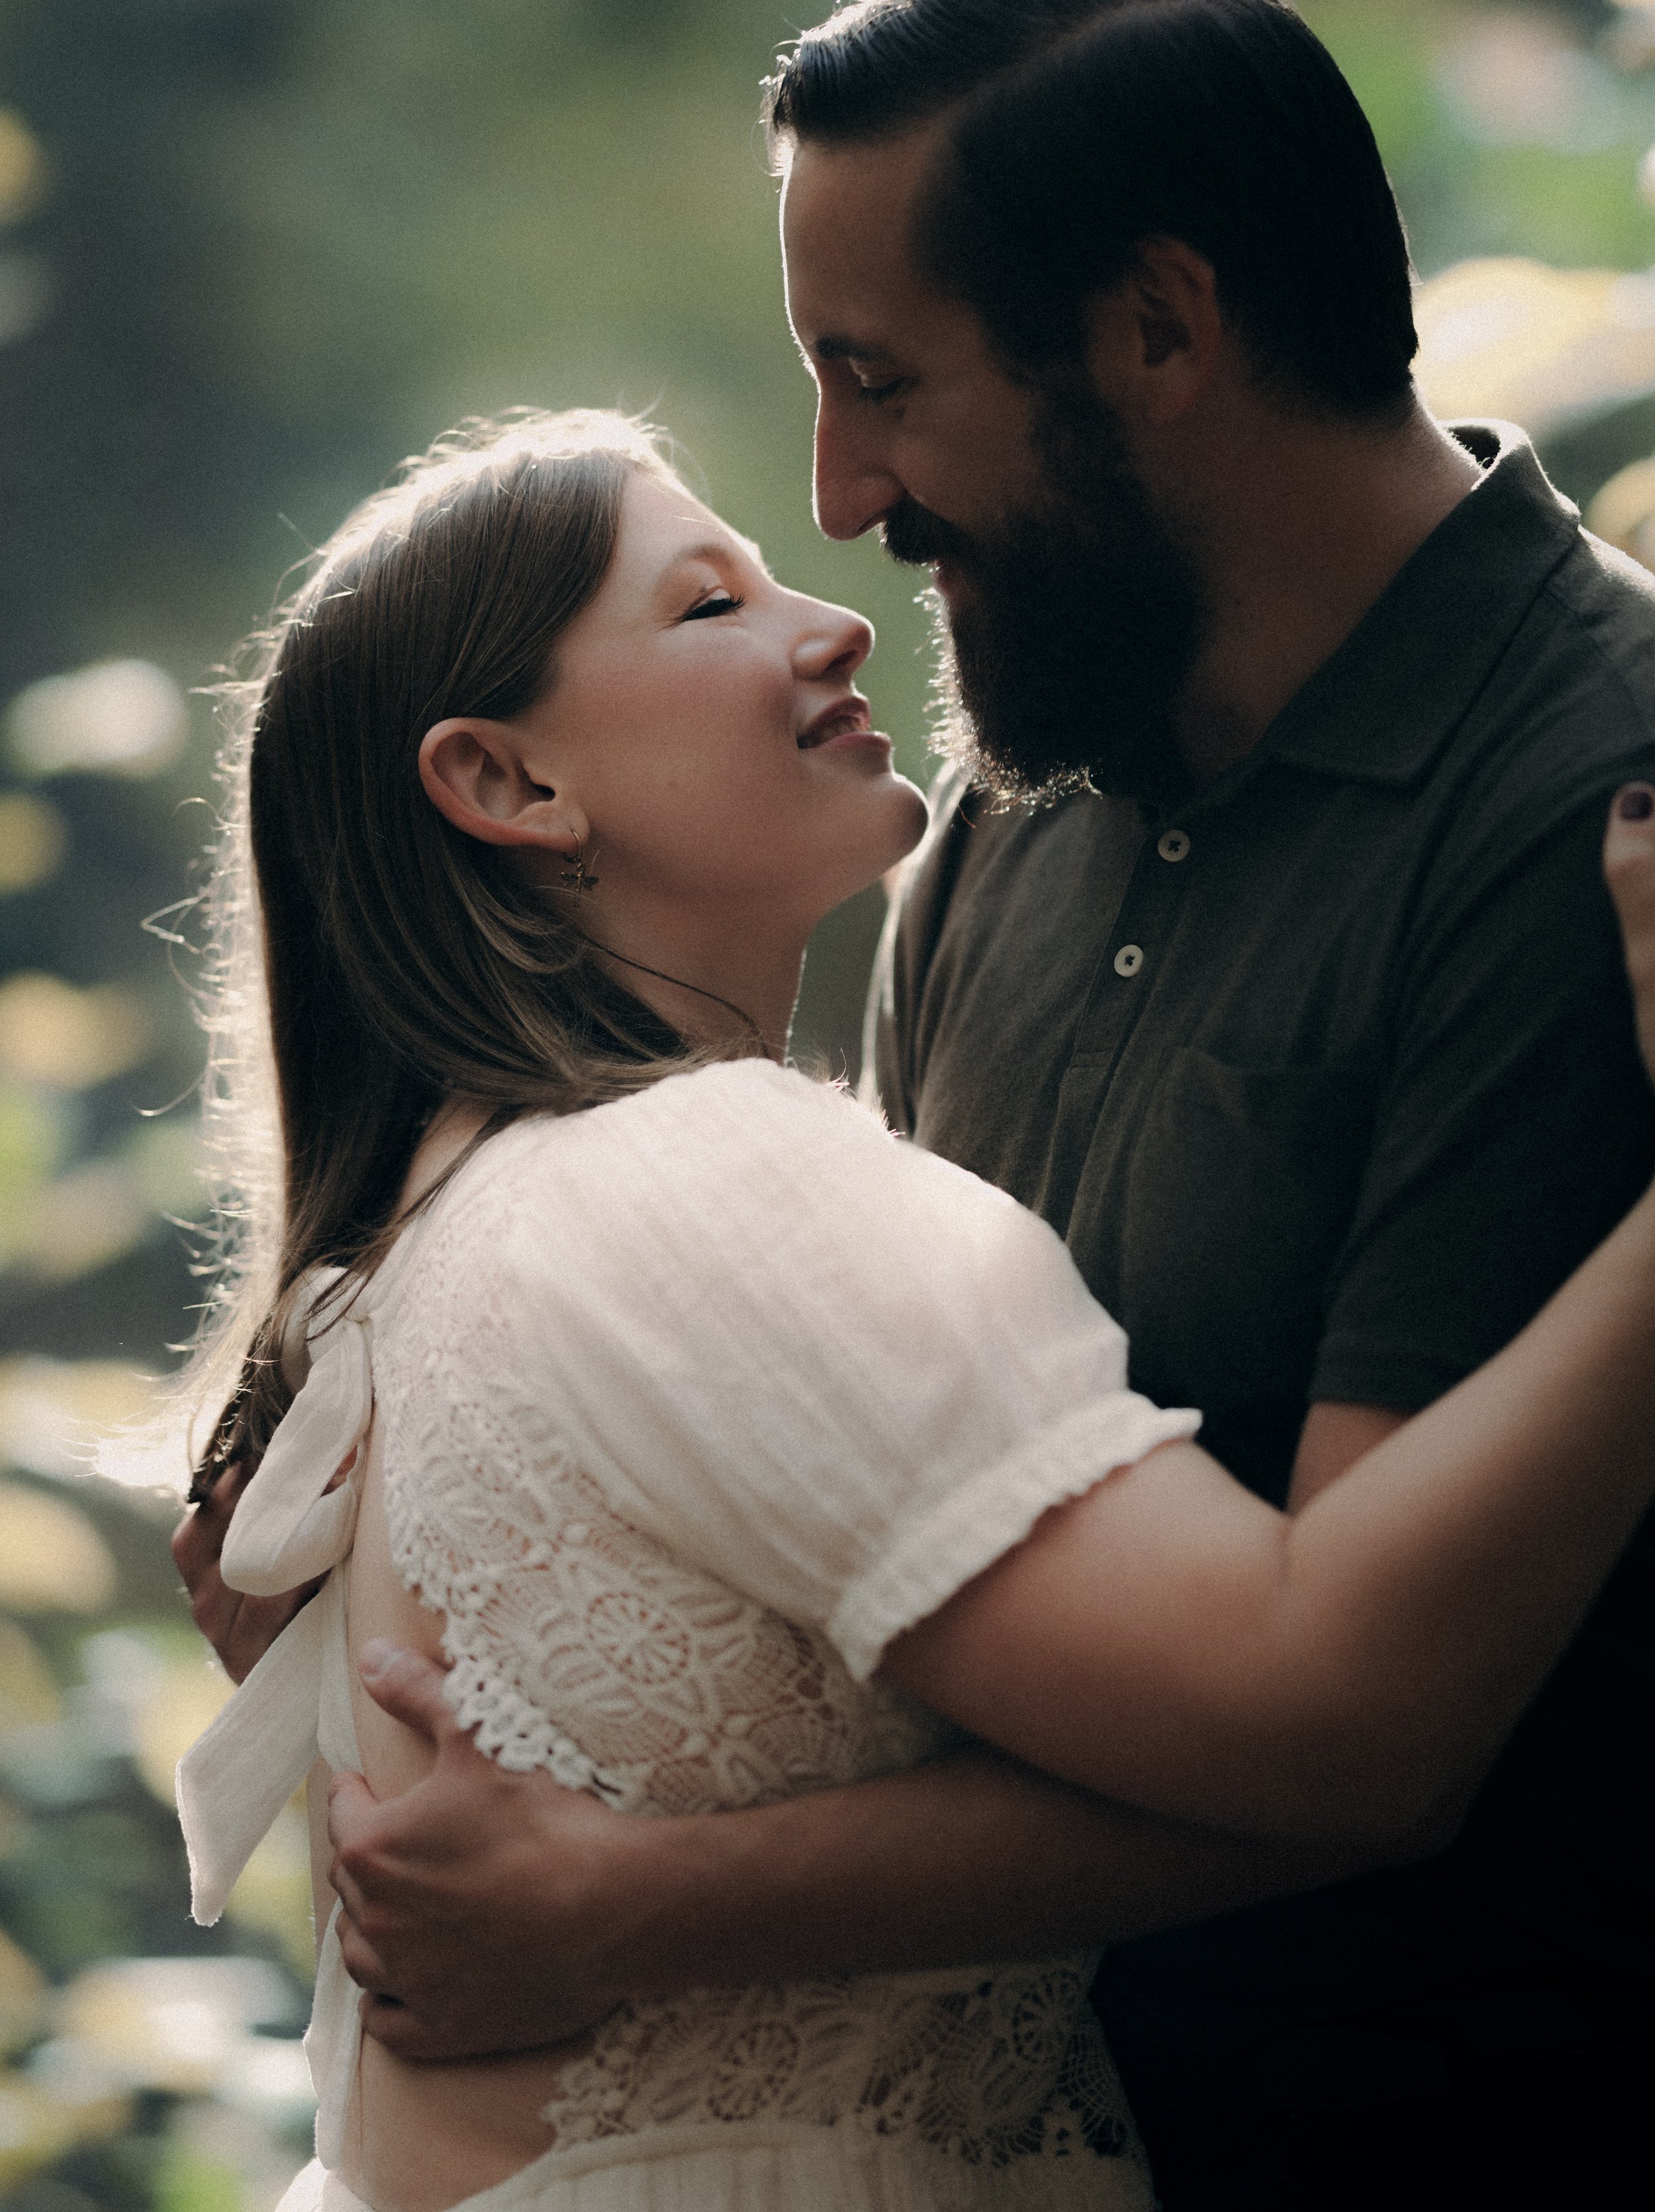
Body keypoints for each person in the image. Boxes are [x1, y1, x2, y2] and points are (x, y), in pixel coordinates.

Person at [172, 4, 1655, 2206]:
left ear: (1157, 327)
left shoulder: (1588, 807)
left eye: (880, 382)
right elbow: (863, 1530)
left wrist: (632, 1907)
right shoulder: (1005, 814)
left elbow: (1352, 1720)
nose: (842, 503)